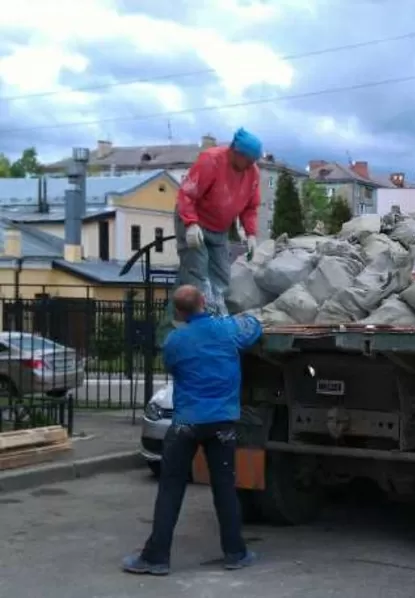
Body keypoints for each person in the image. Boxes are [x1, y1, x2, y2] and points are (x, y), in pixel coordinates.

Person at [122, 285, 263, 576]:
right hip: (222, 423)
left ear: (178, 311)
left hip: (186, 423)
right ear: (204, 303)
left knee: (171, 489)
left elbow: (174, 368)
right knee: (225, 489)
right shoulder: (227, 330)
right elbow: (253, 329)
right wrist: (251, 318)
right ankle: (235, 552)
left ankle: (156, 558)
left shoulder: (175, 341)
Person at [163, 127, 263, 337]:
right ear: (235, 152)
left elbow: (250, 207)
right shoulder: (211, 160)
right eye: (248, 159)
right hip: (194, 221)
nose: (250, 164)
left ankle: (212, 316)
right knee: (199, 275)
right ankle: (207, 325)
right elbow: (187, 194)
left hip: (219, 228)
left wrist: (251, 234)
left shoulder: (252, 172)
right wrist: (190, 223)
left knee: (221, 277)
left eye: (253, 160)